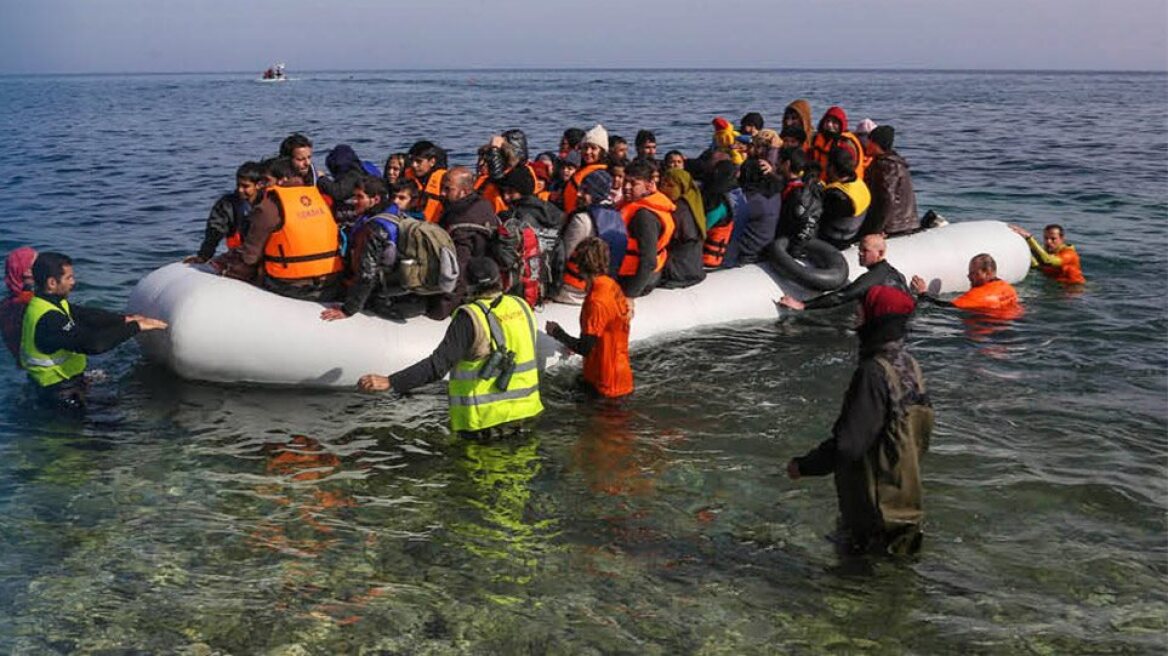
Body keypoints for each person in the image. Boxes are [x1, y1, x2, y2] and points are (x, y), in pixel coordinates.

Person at [787, 285, 933, 556]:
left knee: (850, 582)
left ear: (877, 319)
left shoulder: (872, 374)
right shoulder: (911, 365)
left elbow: (849, 445)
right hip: (905, 502)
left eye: (861, 311)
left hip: (874, 511)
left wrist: (804, 466)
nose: (856, 318)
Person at [357, 257, 543, 440]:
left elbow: (437, 366)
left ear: (467, 284)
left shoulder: (470, 318)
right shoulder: (521, 306)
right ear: (499, 279)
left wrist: (391, 381)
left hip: (486, 425)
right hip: (526, 418)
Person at [20, 252, 168, 410]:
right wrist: (136, 327)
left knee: (117, 404)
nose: (73, 282)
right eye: (69, 278)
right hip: (57, 396)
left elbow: (87, 316)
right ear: (52, 283)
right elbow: (94, 344)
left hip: (67, 385)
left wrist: (126, 319)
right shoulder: (49, 319)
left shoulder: (49, 303)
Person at [212, 157, 344, 302]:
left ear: (281, 180)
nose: (262, 186)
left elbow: (250, 257)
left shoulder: (268, 207)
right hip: (332, 281)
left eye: (266, 181)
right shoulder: (317, 197)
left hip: (293, 286)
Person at [320, 177, 421, 322]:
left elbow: (367, 274)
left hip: (381, 288)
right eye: (354, 196)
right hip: (399, 281)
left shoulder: (373, 229)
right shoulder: (395, 213)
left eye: (360, 197)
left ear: (375, 199)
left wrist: (348, 310)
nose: (354, 201)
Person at [546, 237, 633, 399]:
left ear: (579, 265)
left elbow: (585, 348)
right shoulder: (611, 285)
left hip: (604, 383)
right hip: (619, 374)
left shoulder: (596, 301)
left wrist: (557, 332)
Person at [430, 166, 500, 319]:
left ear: (464, 191)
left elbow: (459, 270)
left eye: (448, 189)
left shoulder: (462, 224)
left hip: (470, 287)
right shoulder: (483, 205)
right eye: (442, 188)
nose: (441, 193)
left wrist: (441, 310)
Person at [778, 234, 910, 311]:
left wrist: (803, 305)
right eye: (860, 249)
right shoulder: (896, 274)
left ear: (880, 253)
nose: (860, 253)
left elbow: (842, 296)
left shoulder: (873, 277)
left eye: (865, 250)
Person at [554, 170, 626, 305]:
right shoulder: (617, 216)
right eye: (581, 189)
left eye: (585, 191)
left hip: (573, 292)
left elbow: (564, 255)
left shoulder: (581, 220)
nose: (579, 194)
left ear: (596, 194)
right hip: (603, 288)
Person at [186, 161, 264, 264]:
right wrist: (204, 256)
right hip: (240, 256)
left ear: (259, 185)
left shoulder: (269, 203)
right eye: (238, 185)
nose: (240, 190)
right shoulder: (227, 205)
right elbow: (214, 231)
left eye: (245, 186)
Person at [619, 159, 675, 297]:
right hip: (637, 273)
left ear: (649, 185)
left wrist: (630, 296)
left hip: (635, 278)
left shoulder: (644, 217)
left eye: (633, 183)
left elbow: (649, 262)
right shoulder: (638, 205)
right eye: (625, 181)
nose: (626, 187)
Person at [911, 253, 1022, 315]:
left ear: (987, 273)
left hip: (986, 337)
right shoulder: (1008, 288)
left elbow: (947, 308)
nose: (968, 276)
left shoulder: (979, 296)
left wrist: (923, 294)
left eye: (973, 273)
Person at [860, 126, 920, 237]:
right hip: (905, 222)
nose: (866, 144)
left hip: (895, 226)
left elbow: (887, 198)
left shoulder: (887, 166)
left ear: (876, 143)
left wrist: (878, 229)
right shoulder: (894, 161)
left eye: (869, 141)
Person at [657, 167, 707, 288]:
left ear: (682, 187)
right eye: (663, 184)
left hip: (680, 269)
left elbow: (682, 237)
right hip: (693, 266)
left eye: (670, 185)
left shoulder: (680, 209)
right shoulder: (694, 204)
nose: (664, 189)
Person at [772, 146, 823, 258]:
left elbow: (807, 225)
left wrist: (794, 251)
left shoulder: (799, 195)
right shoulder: (800, 186)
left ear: (787, 163)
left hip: (789, 247)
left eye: (779, 160)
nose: (776, 163)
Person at [818, 147, 871, 249]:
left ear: (832, 168)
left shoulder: (836, 196)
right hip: (852, 236)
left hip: (833, 241)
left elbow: (817, 216)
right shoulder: (860, 185)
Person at [1010, 223, 1085, 284]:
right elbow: (1038, 266)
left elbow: (1047, 262)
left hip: (1073, 291)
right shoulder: (1048, 253)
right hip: (1056, 287)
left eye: (1053, 239)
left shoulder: (1069, 254)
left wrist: (1029, 238)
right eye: (1046, 238)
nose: (1048, 242)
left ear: (1062, 239)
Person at [809, 106, 866, 182]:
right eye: (827, 121)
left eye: (834, 122)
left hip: (845, 184)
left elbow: (845, 170)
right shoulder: (817, 139)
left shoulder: (846, 143)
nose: (829, 125)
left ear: (841, 125)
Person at [562, 124, 609, 214]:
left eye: (593, 148)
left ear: (602, 152)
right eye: (585, 147)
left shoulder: (600, 176)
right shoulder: (583, 170)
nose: (588, 152)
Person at [2, 246, 36, 363]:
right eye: (38, 266)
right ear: (26, 273)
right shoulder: (30, 302)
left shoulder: (6, 303)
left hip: (19, 361)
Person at [404, 140, 448, 223]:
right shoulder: (407, 177)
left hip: (435, 226)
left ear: (432, 162)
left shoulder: (444, 180)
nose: (413, 165)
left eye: (418, 161)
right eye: (412, 160)